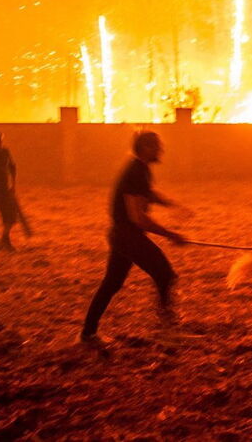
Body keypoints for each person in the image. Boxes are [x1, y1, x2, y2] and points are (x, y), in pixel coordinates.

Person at [80, 131, 189, 345]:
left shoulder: (140, 168)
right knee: (165, 275)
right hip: (128, 236)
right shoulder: (136, 171)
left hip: (121, 235)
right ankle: (167, 332)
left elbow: (147, 193)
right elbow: (138, 218)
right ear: (146, 148)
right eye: (157, 146)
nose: (161, 150)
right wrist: (171, 235)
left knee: (112, 283)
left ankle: (87, 334)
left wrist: (171, 205)